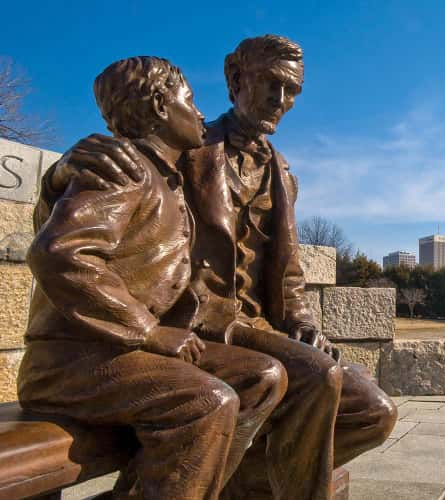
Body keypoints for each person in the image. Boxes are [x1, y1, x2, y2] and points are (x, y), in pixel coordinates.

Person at [49, 36, 397, 500]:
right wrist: (58, 173)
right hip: (199, 325)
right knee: (315, 379)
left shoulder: (283, 174)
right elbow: (96, 190)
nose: (281, 100)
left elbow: (288, 275)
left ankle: (228, 482)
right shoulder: (185, 143)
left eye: (292, 90)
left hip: (261, 328)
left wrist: (303, 323)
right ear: (235, 79)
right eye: (271, 84)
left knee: (374, 410)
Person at [20, 56, 288, 500]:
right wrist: (147, 330)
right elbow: (57, 253)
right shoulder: (121, 169)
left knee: (262, 376)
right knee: (207, 402)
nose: (201, 112)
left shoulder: (166, 178)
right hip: (72, 362)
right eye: (191, 100)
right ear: (163, 106)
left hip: (121, 355)